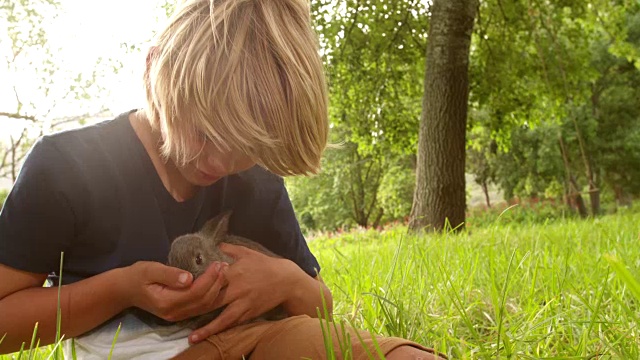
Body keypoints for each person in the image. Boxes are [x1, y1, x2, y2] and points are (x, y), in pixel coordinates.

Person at [0, 0, 445, 359]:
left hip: (261, 340)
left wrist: (288, 281)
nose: (220, 160)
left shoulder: (257, 181)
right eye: (207, 131)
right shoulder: (66, 167)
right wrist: (122, 289)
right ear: (156, 70)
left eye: (248, 145)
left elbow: (319, 309)